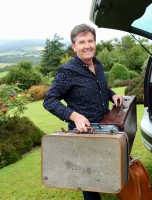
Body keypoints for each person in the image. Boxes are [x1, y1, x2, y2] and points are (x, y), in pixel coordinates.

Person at [43, 23, 123, 200]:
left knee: (106, 168)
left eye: (90, 41)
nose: (87, 45)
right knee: (88, 179)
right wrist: (73, 115)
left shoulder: (98, 64)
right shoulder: (67, 71)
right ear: (74, 46)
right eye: (82, 42)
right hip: (84, 134)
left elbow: (101, 88)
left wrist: (113, 95)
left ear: (95, 43)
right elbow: (49, 101)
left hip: (104, 127)